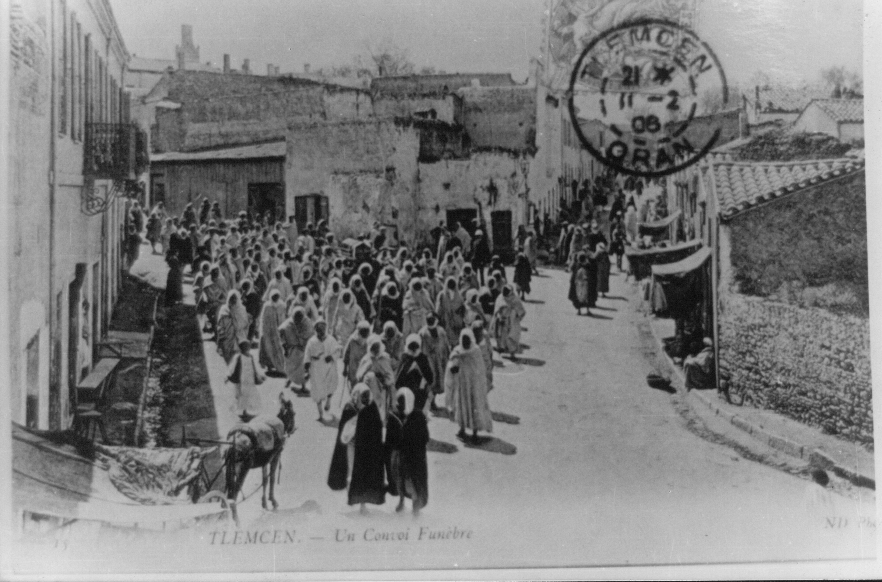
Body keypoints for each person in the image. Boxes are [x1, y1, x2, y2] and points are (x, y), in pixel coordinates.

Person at [445, 328, 493, 443]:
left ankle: (475, 432)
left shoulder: (475, 351)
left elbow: (481, 369)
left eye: (467, 339)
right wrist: (453, 367)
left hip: (473, 385)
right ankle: (462, 429)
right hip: (462, 384)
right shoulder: (457, 351)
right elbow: (452, 366)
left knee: (474, 405)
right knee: (462, 405)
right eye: (463, 339)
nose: (465, 342)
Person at [344, 384, 386, 513]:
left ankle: (361, 503)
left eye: (367, 396)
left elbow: (377, 429)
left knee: (360, 474)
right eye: (364, 396)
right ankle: (353, 498)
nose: (366, 399)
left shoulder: (371, 409)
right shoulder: (350, 407)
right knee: (352, 471)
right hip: (352, 444)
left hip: (365, 449)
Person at [388, 387, 429, 514]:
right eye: (398, 402)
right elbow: (390, 438)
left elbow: (425, 437)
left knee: (413, 483)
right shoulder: (394, 416)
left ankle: (415, 507)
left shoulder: (418, 416)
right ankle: (401, 501)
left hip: (414, 457)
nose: (398, 405)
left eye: (402, 402)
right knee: (399, 479)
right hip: (399, 455)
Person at [304, 319, 341, 422]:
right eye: (319, 328)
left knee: (331, 385)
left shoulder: (331, 340)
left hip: (329, 367)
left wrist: (332, 357)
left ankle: (328, 400)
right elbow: (307, 354)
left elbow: (338, 351)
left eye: (323, 328)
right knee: (317, 390)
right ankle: (320, 414)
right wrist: (306, 368)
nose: (321, 331)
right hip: (316, 369)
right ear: (315, 329)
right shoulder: (311, 341)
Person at [356, 336, 395, 422]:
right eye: (374, 347)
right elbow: (359, 375)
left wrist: (384, 380)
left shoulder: (385, 358)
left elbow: (390, 375)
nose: (376, 349)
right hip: (370, 387)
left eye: (377, 347)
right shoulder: (366, 359)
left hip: (383, 388)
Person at [419, 313, 450, 413]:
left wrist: (448, 356)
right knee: (428, 382)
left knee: (438, 381)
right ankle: (427, 402)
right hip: (428, 362)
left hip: (439, 360)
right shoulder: (423, 333)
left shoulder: (441, 331)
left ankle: (433, 401)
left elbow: (446, 344)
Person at [395, 334, 434, 413]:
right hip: (405, 390)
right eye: (411, 346)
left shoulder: (423, 358)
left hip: (419, 392)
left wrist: (419, 372)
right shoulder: (404, 358)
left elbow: (430, 378)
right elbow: (398, 378)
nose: (413, 349)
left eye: (415, 346)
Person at [279, 306, 314, 393]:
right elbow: (282, 335)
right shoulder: (288, 324)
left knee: (303, 369)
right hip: (292, 350)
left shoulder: (308, 323)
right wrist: (285, 347)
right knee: (291, 368)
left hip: (303, 350)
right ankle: (289, 380)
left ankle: (303, 386)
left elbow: (311, 336)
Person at [226, 341, 265, 416]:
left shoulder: (246, 356)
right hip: (245, 379)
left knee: (245, 393)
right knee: (244, 393)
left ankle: (245, 409)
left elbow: (253, 367)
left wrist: (258, 376)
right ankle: (244, 409)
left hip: (247, 378)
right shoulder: (244, 357)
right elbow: (238, 368)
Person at [492, 284, 526, 359]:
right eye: (504, 290)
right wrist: (498, 315)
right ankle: (500, 348)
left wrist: (517, 318)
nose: (505, 292)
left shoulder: (515, 299)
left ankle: (512, 354)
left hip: (512, 322)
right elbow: (496, 308)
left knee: (511, 338)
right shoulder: (500, 297)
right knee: (501, 336)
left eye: (507, 291)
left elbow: (522, 312)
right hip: (501, 321)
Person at [258, 290, 287, 374]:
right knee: (267, 347)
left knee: (278, 347)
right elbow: (263, 319)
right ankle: (269, 366)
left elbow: (282, 317)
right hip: (268, 330)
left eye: (277, 296)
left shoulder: (281, 305)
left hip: (277, 329)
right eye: (274, 297)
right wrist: (263, 330)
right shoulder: (267, 306)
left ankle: (280, 365)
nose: (275, 298)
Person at [342, 320, 372, 394]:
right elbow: (346, 355)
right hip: (353, 368)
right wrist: (345, 368)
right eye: (363, 331)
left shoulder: (370, 341)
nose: (365, 334)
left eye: (366, 331)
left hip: (365, 367)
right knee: (354, 388)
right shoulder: (352, 340)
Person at [436, 277, 465, 343]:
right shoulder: (442, 295)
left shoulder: (459, 295)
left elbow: (462, 307)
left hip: (457, 321)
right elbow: (438, 308)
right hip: (446, 320)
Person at [472, 320, 494, 393]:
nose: (478, 333)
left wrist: (491, 360)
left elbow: (490, 348)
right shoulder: (471, 337)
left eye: (479, 330)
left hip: (485, 361)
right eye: (476, 331)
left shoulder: (485, 335)